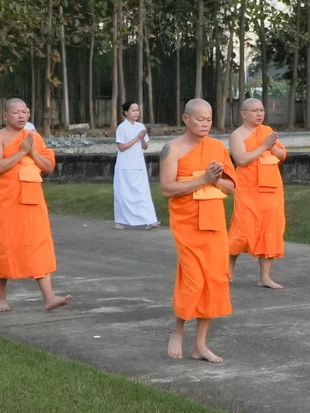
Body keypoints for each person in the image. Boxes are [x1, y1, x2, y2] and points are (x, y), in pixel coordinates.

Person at [158, 98, 235, 363]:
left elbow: (230, 187)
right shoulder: (172, 149)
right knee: (193, 280)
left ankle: (200, 345)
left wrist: (216, 179)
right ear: (186, 119)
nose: (205, 124)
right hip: (187, 224)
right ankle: (178, 330)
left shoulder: (216, 148)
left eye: (209, 119)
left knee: (214, 280)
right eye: (200, 119)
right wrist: (202, 179)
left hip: (214, 222)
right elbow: (167, 189)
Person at [0, 98, 72, 313]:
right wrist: (21, 152)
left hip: (33, 201)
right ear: (6, 116)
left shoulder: (34, 138)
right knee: (3, 246)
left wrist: (32, 151)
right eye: (16, 112)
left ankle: (49, 297)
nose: (22, 116)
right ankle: (1, 298)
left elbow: (48, 167)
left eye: (25, 111)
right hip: (7, 203)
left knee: (39, 246)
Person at [227, 97, 288, 289]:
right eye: (254, 111)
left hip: (271, 190)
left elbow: (282, 155)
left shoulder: (267, 131)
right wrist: (264, 146)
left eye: (261, 110)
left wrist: (271, 146)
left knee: (270, 231)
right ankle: (227, 272)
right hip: (248, 190)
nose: (259, 114)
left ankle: (265, 277)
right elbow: (241, 160)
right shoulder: (237, 135)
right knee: (242, 231)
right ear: (243, 113)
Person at [111, 101, 158, 229]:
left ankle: (150, 220)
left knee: (142, 193)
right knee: (123, 194)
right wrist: (137, 138)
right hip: (125, 165)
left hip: (138, 165)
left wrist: (142, 138)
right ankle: (120, 221)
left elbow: (145, 146)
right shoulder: (122, 128)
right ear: (126, 112)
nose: (136, 113)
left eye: (137, 110)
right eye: (133, 110)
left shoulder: (140, 126)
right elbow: (121, 147)